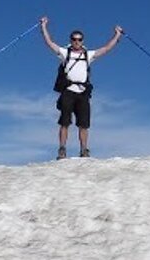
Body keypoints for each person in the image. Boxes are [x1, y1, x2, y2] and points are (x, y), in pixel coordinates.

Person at [40, 16, 124, 159]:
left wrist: (117, 35)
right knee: (64, 122)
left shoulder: (88, 55)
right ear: (71, 40)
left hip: (83, 93)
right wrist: (43, 26)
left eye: (79, 39)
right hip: (68, 91)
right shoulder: (65, 53)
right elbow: (49, 43)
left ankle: (84, 150)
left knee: (83, 124)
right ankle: (62, 149)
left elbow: (106, 49)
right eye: (74, 39)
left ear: (83, 41)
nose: (76, 42)